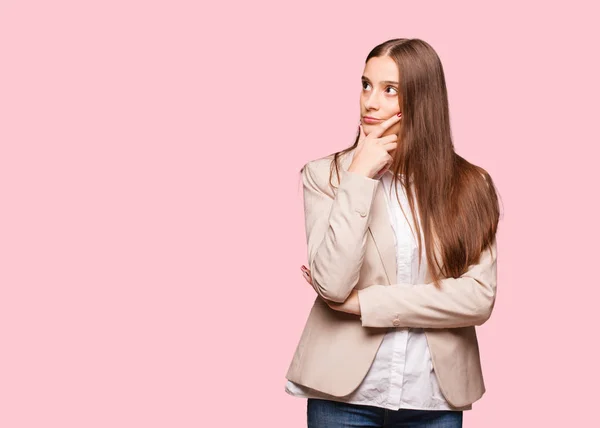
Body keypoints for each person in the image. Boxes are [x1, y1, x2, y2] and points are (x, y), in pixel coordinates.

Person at [284, 38, 500, 428]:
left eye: (389, 90)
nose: (370, 102)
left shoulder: (471, 185)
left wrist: (368, 305)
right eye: (366, 85)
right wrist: (359, 178)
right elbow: (333, 284)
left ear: (423, 100)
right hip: (342, 397)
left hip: (433, 398)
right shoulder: (325, 176)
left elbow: (478, 298)